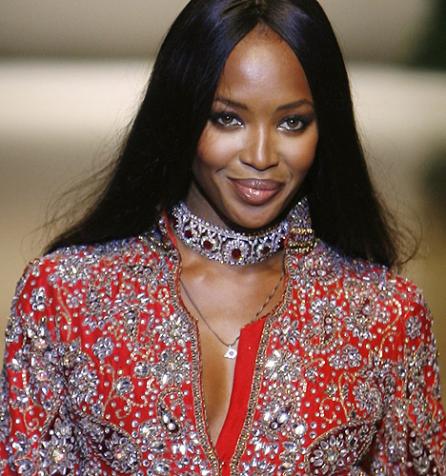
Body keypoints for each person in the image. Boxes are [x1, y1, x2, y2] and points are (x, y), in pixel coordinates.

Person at [1, 0, 445, 474]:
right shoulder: (66, 297)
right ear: (181, 114)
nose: (261, 155)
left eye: (293, 122)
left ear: (325, 129)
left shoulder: (384, 316)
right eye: (228, 118)